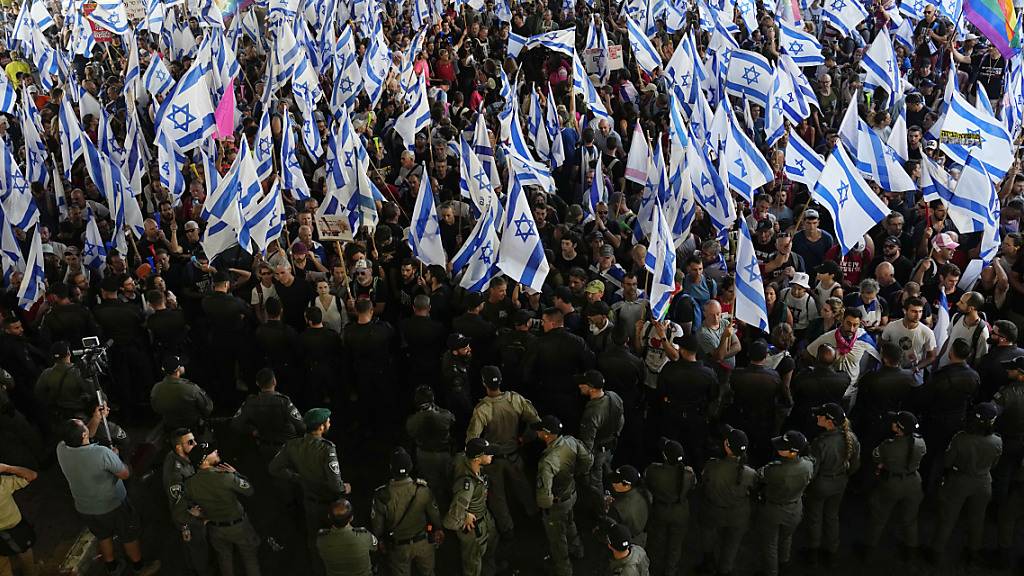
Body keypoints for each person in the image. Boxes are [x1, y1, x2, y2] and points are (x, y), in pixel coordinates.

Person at [55, 419, 158, 575]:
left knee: (103, 535)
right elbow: (125, 474)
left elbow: (82, 435)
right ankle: (139, 567)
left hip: (85, 507)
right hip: (112, 505)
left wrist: (96, 418)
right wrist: (115, 457)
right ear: (84, 434)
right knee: (129, 535)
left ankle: (112, 567)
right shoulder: (101, 453)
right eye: (83, 424)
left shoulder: (61, 449)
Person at [269, 408, 351, 575]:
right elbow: (336, 485)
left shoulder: (292, 445)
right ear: (321, 427)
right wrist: (345, 488)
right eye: (327, 421)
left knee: (314, 542)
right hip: (330, 505)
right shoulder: (327, 449)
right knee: (338, 540)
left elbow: (273, 468)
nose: (329, 423)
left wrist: (296, 478)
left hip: (310, 502)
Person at [464, 365, 540, 539]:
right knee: (523, 487)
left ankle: (507, 529)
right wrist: (524, 438)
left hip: (492, 460)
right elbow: (536, 421)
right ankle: (534, 515)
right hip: (514, 454)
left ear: (484, 383)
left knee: (497, 497)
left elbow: (472, 440)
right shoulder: (515, 399)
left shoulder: (482, 409)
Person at [926, 403, 1003, 565]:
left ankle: (936, 552)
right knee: (978, 518)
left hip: (959, 480)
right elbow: (995, 464)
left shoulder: (961, 438)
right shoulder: (997, 441)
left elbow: (947, 462)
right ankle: (973, 551)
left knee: (948, 517)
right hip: (983, 482)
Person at [183, 442, 261, 576]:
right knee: (250, 558)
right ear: (204, 460)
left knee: (224, 560)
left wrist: (200, 514)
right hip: (238, 527)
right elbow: (249, 490)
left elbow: (188, 504)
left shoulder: (189, 483)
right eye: (212, 452)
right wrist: (236, 473)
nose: (216, 451)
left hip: (215, 528)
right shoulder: (225, 477)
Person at [533, 415, 594, 576]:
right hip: (571, 493)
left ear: (546, 434)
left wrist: (546, 505)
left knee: (557, 539)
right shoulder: (571, 441)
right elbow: (588, 460)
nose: (537, 432)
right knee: (570, 522)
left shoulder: (548, 461)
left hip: (557, 503)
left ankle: (564, 569)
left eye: (540, 430)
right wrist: (576, 474)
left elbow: (544, 497)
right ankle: (577, 549)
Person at [802, 403, 860, 567]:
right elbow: (855, 465)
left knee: (815, 517)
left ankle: (813, 552)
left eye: (821, 415)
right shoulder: (852, 439)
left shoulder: (820, 443)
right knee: (832, 516)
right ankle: (831, 551)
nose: (817, 417)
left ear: (829, 422)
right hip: (840, 482)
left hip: (821, 483)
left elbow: (813, 469)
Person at [370, 448, 444, 576]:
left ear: (391, 468)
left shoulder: (382, 495)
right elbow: (434, 515)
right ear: (410, 467)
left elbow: (377, 525)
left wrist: (380, 540)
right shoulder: (422, 490)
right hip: (423, 543)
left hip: (398, 547)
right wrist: (438, 528)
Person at [862, 412, 926, 559]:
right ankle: (911, 550)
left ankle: (869, 550)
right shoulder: (920, 442)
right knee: (910, 519)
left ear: (898, 428)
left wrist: (883, 464)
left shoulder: (888, 445)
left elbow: (876, 456)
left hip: (892, 483)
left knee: (879, 517)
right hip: (914, 481)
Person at [655, 334, 719, 471]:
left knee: (673, 449)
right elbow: (714, 396)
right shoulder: (708, 374)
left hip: (673, 416)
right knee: (696, 449)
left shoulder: (669, 370)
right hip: (697, 418)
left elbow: (660, 391)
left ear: (683, 351)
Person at [699, 427, 757, 576]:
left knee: (708, 534)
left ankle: (708, 562)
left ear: (726, 446)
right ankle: (725, 570)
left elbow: (703, 483)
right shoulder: (750, 473)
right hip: (738, 515)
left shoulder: (712, 466)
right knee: (732, 545)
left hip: (713, 511)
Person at [756, 431, 815, 576]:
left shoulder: (776, 470)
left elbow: (759, 475)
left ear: (792, 452)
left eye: (783, 446)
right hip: (795, 508)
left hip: (774, 510)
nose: (778, 447)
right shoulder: (808, 465)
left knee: (770, 544)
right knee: (787, 537)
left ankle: (771, 572)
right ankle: (784, 563)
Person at [443, 438, 498, 576]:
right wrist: (464, 517)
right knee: (472, 564)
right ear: (477, 459)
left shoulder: (465, 460)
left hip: (484, 517)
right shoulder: (466, 486)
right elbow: (450, 521)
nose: (491, 455)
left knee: (488, 549)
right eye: (488, 453)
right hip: (474, 529)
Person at [161, 428, 212, 576]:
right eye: (190, 442)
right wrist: (197, 520)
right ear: (179, 447)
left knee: (191, 548)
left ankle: (193, 568)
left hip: (190, 511)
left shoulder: (177, 456)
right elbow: (179, 511)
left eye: (194, 440)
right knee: (199, 548)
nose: (195, 444)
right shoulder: (175, 475)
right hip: (189, 518)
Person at [642, 439, 694, 576]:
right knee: (675, 546)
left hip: (661, 511)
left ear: (665, 456)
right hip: (681, 512)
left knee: (657, 542)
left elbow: (646, 483)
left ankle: (651, 570)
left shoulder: (654, 471)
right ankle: (670, 572)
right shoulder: (689, 474)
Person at [576, 369, 624, 506]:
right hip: (611, 446)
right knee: (608, 469)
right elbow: (621, 420)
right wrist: (615, 435)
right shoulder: (614, 397)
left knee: (596, 480)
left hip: (598, 450)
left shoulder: (592, 412)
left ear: (591, 388)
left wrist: (584, 466)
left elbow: (587, 443)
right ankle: (614, 492)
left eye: (582, 384)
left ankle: (601, 507)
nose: (579, 385)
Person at [406, 386, 456, 514]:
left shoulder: (412, 421)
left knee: (433, 488)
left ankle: (438, 513)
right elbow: (452, 420)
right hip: (443, 454)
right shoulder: (444, 416)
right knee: (450, 484)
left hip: (424, 455)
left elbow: (410, 432)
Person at [150, 355, 214, 434]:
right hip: (192, 430)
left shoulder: (156, 388)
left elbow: (156, 409)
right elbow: (208, 408)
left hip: (170, 429)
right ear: (178, 369)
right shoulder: (191, 388)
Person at [34, 341, 93, 421]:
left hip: (60, 416)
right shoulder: (77, 372)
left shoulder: (46, 373)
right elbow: (95, 392)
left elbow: (38, 394)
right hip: (80, 415)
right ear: (69, 353)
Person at [317, 499, 377, 576]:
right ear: (351, 518)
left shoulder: (322, 540)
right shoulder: (364, 536)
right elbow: (375, 547)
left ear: (329, 517)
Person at [0, 461, 38, 576]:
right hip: (14, 528)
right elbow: (32, 475)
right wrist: (7, 468)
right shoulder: (3, 485)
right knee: (25, 554)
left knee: (4, 567)